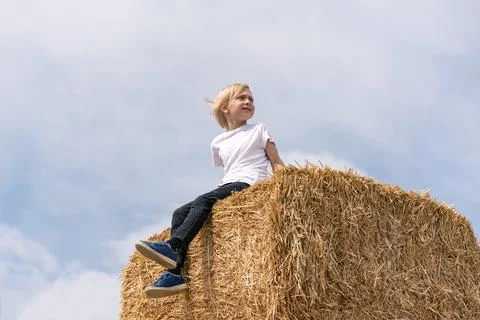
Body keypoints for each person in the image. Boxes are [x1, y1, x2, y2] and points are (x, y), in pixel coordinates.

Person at [135, 83, 285, 298]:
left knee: (203, 200)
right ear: (225, 108)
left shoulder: (258, 129)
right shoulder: (218, 142)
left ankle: (174, 247)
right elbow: (230, 168)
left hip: (249, 183)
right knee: (179, 213)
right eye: (241, 98)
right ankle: (175, 274)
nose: (248, 102)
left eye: (251, 99)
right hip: (228, 185)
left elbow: (276, 161)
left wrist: (286, 186)